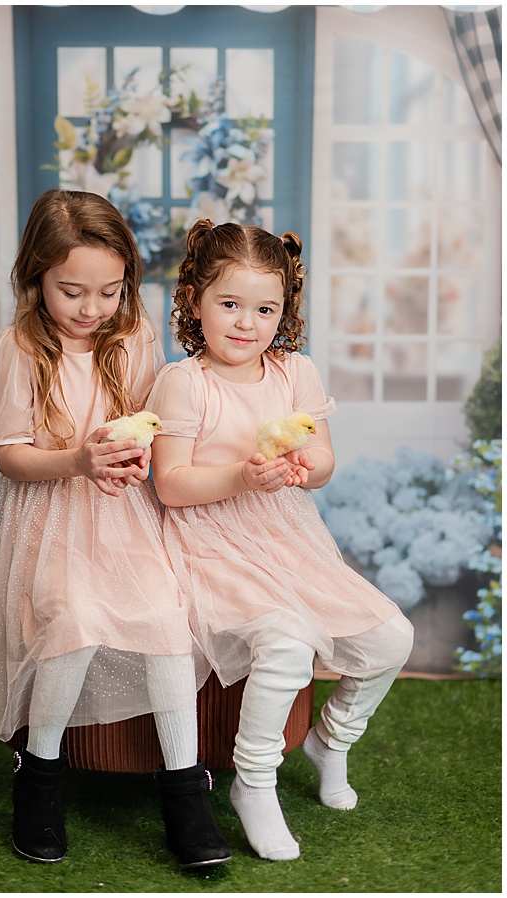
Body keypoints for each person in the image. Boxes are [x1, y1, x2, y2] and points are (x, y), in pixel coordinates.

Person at [0, 189, 231, 869]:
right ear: (35, 278)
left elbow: (149, 422)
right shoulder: (18, 346)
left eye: (109, 291)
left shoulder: (134, 335)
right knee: (73, 620)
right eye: (72, 291)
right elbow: (10, 457)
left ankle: (184, 792)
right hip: (47, 514)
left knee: (167, 624)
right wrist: (79, 459)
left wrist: (133, 457)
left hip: (123, 512)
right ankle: (40, 774)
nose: (91, 309)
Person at [148, 220, 414, 861]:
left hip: (285, 533)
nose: (246, 323)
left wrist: (303, 465)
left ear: (284, 311)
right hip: (209, 537)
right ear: (193, 302)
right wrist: (242, 475)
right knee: (288, 643)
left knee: (391, 636)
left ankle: (330, 742)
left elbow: (322, 463)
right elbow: (172, 486)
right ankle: (255, 782)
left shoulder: (294, 372)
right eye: (229, 304)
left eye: (264, 308)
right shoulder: (185, 381)